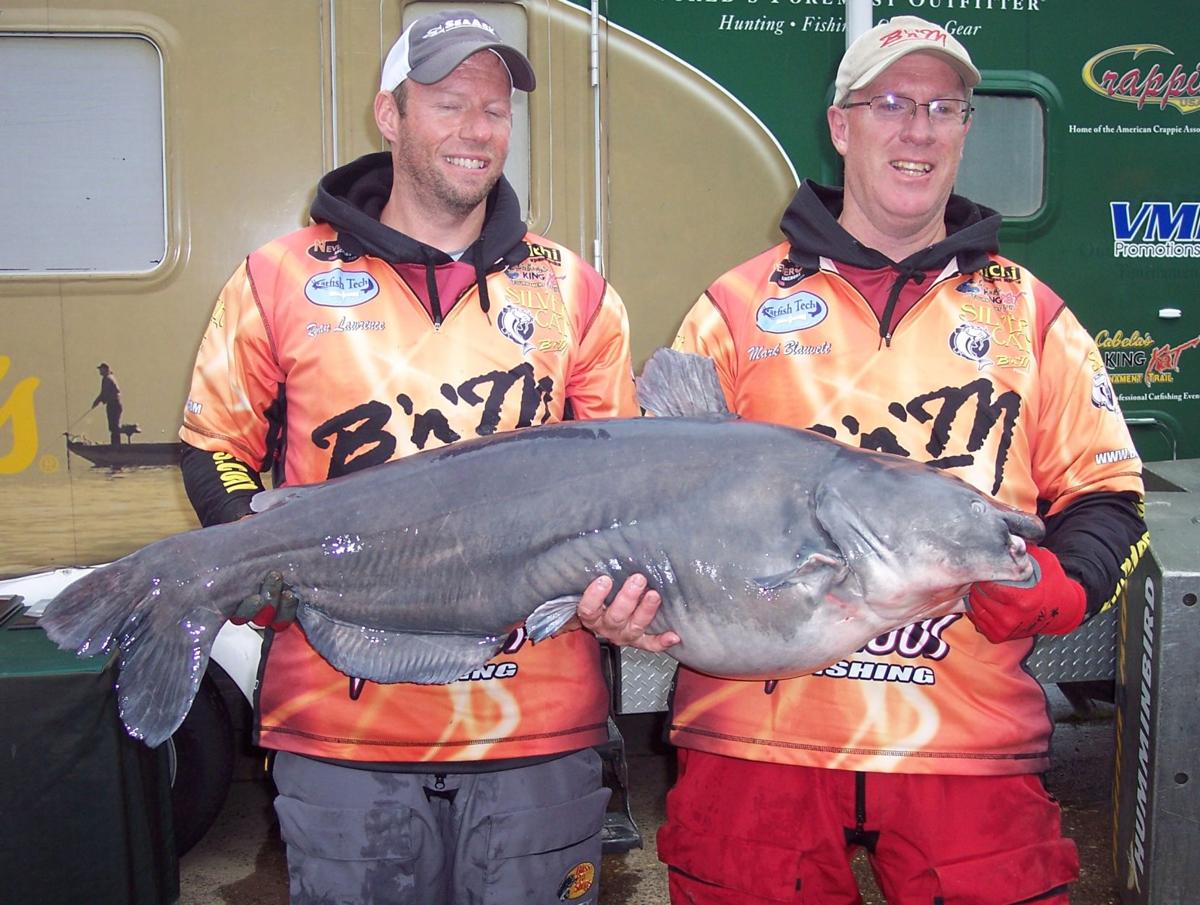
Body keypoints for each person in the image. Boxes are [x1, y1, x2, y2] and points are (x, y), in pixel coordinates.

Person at [177, 10, 669, 904]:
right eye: (448, 104)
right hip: (342, 728)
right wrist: (257, 561)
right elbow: (217, 446)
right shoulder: (278, 277)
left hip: (536, 734)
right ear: (390, 115)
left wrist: (622, 598)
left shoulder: (576, 292)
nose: (477, 129)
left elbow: (623, 492)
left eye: (495, 110)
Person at [656, 16, 1148, 904]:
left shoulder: (1034, 318)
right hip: (754, 747)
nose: (916, 128)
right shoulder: (731, 311)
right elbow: (643, 498)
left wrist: (1057, 586)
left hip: (964, 745)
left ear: (964, 130)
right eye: (889, 102)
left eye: (942, 107)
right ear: (842, 126)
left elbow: (1110, 496)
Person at [91, 362, 122, 446]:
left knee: (113, 426)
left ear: (105, 369)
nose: (100, 371)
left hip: (113, 404)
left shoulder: (107, 379)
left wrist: (96, 402)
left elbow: (104, 393)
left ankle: (115, 445)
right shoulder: (111, 377)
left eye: (101, 369)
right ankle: (116, 444)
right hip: (116, 404)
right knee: (114, 425)